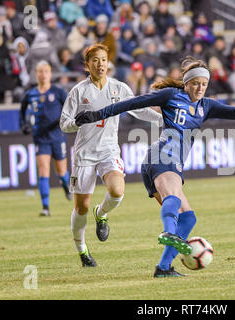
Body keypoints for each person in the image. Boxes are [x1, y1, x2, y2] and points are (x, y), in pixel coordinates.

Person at [74, 56, 235, 277]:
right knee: (174, 197)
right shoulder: (172, 95)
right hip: (162, 156)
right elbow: (132, 103)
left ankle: (163, 268)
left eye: (204, 84)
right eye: (195, 83)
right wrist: (98, 114)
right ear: (186, 83)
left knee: (188, 217)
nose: (200, 88)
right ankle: (168, 232)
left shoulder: (207, 106)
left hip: (163, 162)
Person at [59, 43, 162, 268]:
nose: (100, 64)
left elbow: (139, 109)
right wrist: (77, 121)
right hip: (84, 155)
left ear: (108, 63)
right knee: (81, 208)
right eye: (95, 60)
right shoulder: (78, 91)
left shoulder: (119, 88)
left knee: (117, 191)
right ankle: (83, 251)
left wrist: (162, 119)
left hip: (108, 151)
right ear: (87, 65)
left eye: (103, 60)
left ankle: (101, 213)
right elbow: (64, 124)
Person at [20, 60, 71, 217]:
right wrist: (24, 125)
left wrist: (62, 120)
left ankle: (66, 186)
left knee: (61, 171)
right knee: (43, 171)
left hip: (57, 136)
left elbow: (70, 107)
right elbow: (22, 111)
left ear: (50, 73)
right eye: (40, 71)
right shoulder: (30, 94)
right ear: (36, 74)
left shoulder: (58, 92)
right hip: (40, 137)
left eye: (46, 71)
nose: (43, 74)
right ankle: (45, 207)